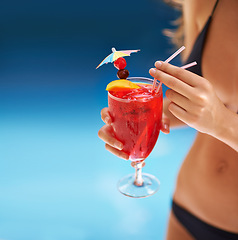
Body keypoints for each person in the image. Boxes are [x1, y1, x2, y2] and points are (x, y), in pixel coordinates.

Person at [98, 0, 238, 239]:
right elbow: (207, 105)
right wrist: (142, 117)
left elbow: (218, 114)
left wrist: (223, 124)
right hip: (188, 208)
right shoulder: (203, 2)